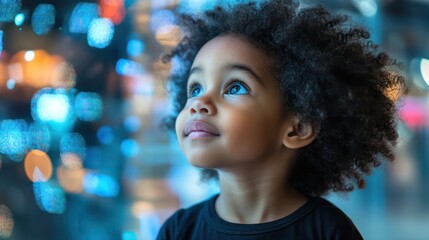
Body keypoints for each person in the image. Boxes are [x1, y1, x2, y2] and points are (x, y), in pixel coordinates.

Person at [157, 0, 407, 239]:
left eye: (235, 87)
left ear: (298, 128)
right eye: (196, 89)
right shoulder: (178, 231)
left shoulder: (328, 230)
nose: (199, 103)